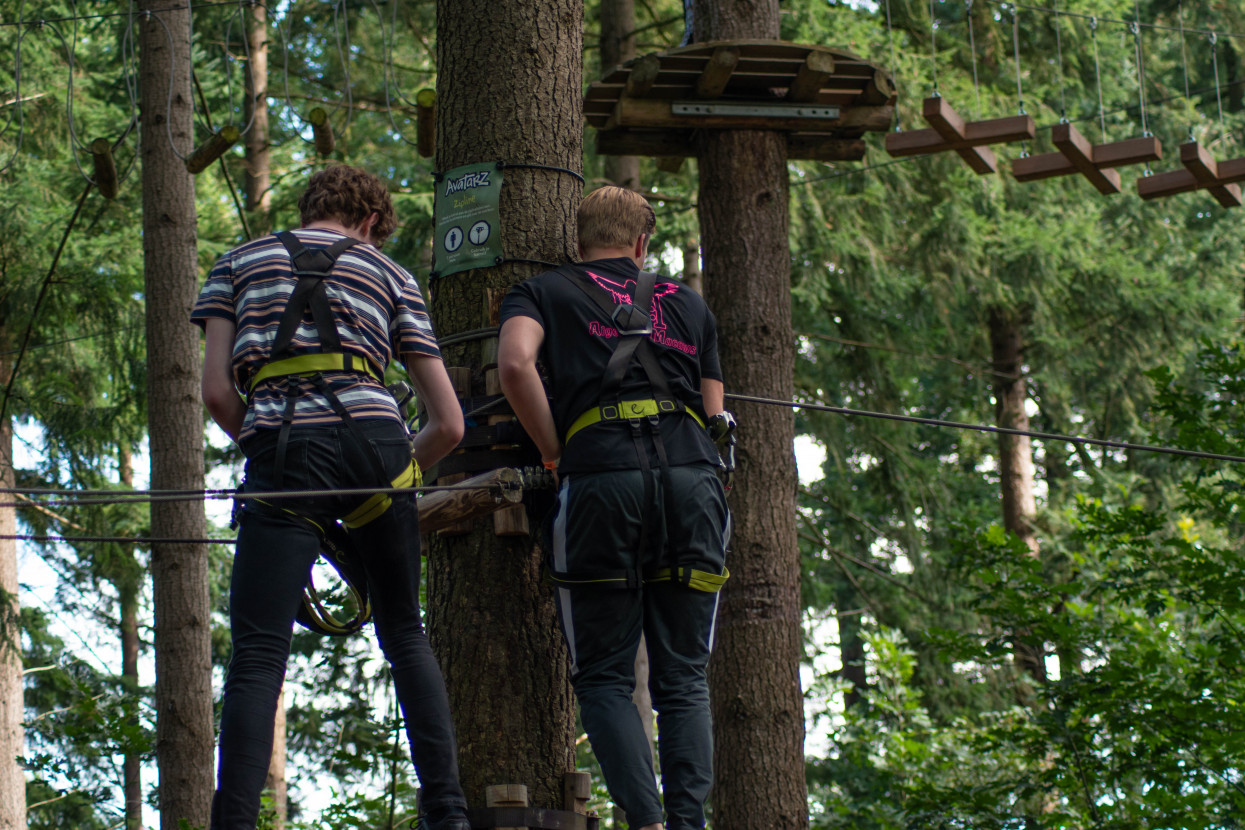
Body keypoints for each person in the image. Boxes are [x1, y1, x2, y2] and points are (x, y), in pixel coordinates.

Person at [191, 164, 469, 830]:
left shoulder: (237, 263)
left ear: (310, 205)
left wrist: (268, 448)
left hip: (283, 445)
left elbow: (217, 393)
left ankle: (232, 822)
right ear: (372, 221)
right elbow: (450, 424)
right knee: (404, 632)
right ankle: (449, 814)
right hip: (375, 439)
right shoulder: (389, 274)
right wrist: (395, 474)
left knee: (260, 650)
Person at [497, 186, 733, 830]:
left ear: (577, 242)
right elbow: (716, 418)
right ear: (639, 244)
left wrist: (553, 449)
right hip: (692, 481)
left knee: (604, 676)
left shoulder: (542, 291)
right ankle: (688, 823)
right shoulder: (687, 304)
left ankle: (647, 823)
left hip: (601, 479)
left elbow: (515, 364)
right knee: (682, 678)